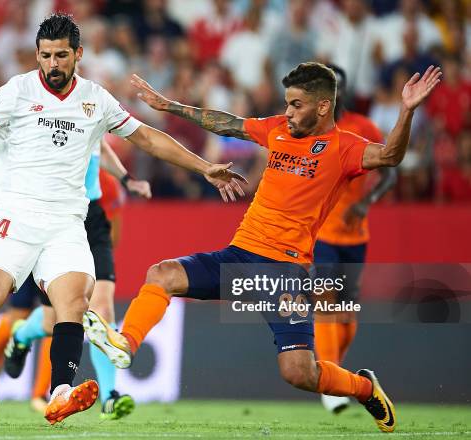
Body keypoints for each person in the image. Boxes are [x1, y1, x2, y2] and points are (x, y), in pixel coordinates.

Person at [0, 13, 244, 426]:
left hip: (66, 221)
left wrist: (204, 168)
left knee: (75, 302)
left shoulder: (96, 99)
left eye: (61, 56)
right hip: (14, 214)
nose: (53, 64)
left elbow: (145, 136)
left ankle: (59, 393)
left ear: (78, 55)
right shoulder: (16, 91)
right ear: (37, 55)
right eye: (46, 56)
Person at [83, 62, 441, 433]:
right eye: (287, 103)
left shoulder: (345, 148)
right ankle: (125, 343)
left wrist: (407, 110)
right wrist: (169, 105)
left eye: (296, 105)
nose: (287, 112)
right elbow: (227, 122)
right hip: (240, 256)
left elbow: (390, 156)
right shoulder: (279, 130)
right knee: (162, 273)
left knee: (299, 373)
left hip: (285, 272)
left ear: (322, 106)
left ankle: (364, 388)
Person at [0, 138, 150, 420]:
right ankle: (22, 335)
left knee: (102, 308)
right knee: (52, 321)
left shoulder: (106, 183)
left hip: (91, 222)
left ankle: (109, 397)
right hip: (53, 219)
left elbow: (99, 144)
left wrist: (127, 178)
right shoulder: (47, 119)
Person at [313, 65, 396, 414]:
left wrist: (366, 202)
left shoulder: (363, 128)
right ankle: (330, 387)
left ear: (342, 92)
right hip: (323, 232)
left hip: (356, 235)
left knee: (346, 311)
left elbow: (391, 170)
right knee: (326, 302)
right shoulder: (312, 130)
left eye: (337, 89)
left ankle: (335, 370)